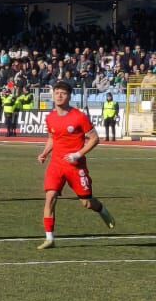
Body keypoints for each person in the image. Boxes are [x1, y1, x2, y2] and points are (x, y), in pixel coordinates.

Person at [37, 80, 116, 250]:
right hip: (56, 165)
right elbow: (52, 138)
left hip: (75, 167)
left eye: (63, 93)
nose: (59, 95)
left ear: (69, 96)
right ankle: (49, 238)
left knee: (87, 203)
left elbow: (95, 138)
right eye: (57, 92)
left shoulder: (79, 116)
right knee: (50, 197)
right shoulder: (50, 117)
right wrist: (45, 153)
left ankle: (101, 209)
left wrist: (78, 154)